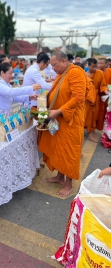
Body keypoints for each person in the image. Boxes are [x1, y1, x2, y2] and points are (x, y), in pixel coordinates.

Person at [39, 51, 87, 197]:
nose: (52, 68)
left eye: (54, 65)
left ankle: (68, 184)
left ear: (64, 61)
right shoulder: (62, 73)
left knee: (69, 152)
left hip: (70, 121)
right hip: (59, 119)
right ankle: (60, 178)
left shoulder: (75, 72)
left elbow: (78, 97)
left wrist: (59, 110)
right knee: (59, 151)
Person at [85, 58, 108, 141]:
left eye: (96, 66)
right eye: (93, 67)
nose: (95, 69)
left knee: (94, 116)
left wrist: (106, 92)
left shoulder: (100, 73)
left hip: (96, 99)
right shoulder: (85, 75)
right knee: (85, 116)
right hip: (86, 99)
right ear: (88, 65)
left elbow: (103, 85)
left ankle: (90, 134)